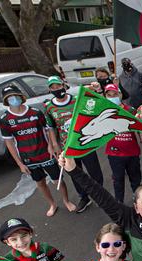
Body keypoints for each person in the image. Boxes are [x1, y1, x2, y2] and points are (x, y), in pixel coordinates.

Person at [0, 84, 75, 216]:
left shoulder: (35, 112)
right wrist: (20, 164)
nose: (13, 99)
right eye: (9, 98)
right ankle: (52, 204)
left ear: (21, 96)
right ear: (6, 101)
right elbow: (9, 142)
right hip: (28, 158)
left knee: (58, 180)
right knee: (40, 183)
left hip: (46, 154)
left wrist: (51, 145)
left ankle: (66, 201)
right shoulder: (4, 119)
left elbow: (49, 129)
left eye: (15, 96)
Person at [45, 76, 104, 213]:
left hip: (85, 143)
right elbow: (51, 127)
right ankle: (84, 197)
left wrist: (97, 89)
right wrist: (55, 144)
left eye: (58, 86)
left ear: (63, 85)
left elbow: (93, 104)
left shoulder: (76, 100)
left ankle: (100, 195)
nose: (56, 89)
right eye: (52, 88)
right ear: (49, 90)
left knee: (94, 171)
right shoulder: (49, 107)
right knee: (75, 173)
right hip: (68, 147)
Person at [103, 84, 142, 203]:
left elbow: (140, 127)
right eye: (109, 95)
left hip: (132, 152)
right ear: (105, 96)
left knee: (136, 180)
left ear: (120, 95)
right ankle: (119, 204)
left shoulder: (130, 110)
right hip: (114, 153)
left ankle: (138, 202)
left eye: (114, 94)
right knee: (118, 180)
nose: (112, 97)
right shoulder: (103, 111)